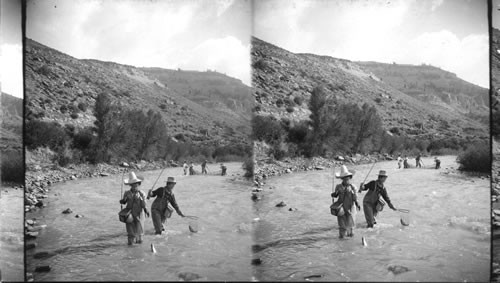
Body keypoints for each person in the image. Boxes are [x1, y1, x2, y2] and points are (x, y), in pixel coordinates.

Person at [119, 172, 149, 245]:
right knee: (130, 233)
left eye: (136, 183)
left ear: (138, 184)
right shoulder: (127, 193)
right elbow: (124, 202)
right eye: (133, 184)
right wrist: (122, 201)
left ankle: (139, 249)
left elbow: (144, 205)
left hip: (139, 214)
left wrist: (146, 210)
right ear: (130, 185)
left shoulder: (142, 193)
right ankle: (131, 247)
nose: (134, 185)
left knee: (140, 233)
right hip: (129, 214)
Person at [331, 165, 360, 238]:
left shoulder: (353, 187)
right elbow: (336, 195)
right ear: (342, 178)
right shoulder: (338, 186)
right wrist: (334, 194)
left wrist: (357, 204)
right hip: (341, 208)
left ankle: (350, 242)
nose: (346, 179)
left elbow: (355, 197)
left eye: (348, 178)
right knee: (342, 226)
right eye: (344, 178)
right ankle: (342, 239)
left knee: (351, 226)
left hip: (351, 208)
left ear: (350, 177)